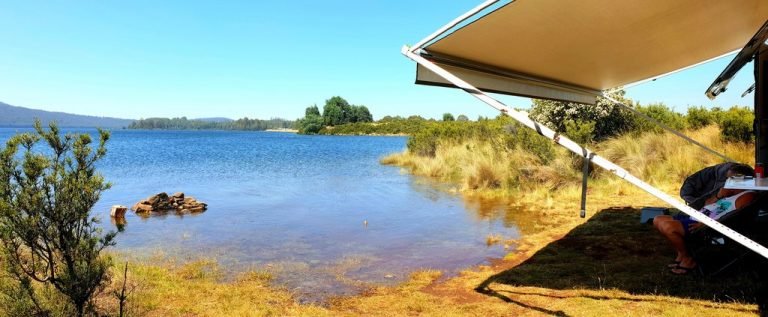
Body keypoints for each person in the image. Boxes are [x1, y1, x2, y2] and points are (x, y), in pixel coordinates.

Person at [654, 163, 756, 275]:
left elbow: (733, 219)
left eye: (730, 179)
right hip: (698, 216)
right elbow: (706, 204)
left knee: (668, 227)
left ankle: (688, 258)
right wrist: (719, 196)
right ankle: (682, 254)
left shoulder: (746, 196)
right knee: (658, 219)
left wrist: (708, 224)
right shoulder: (727, 192)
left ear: (742, 181)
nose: (726, 182)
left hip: (705, 227)